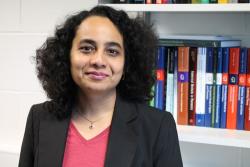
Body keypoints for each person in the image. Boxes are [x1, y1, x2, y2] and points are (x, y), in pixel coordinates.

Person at [18, 5, 183, 167]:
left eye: (112, 51)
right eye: (86, 48)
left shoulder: (158, 126)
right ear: (66, 57)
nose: (98, 60)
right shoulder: (39, 117)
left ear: (127, 64)